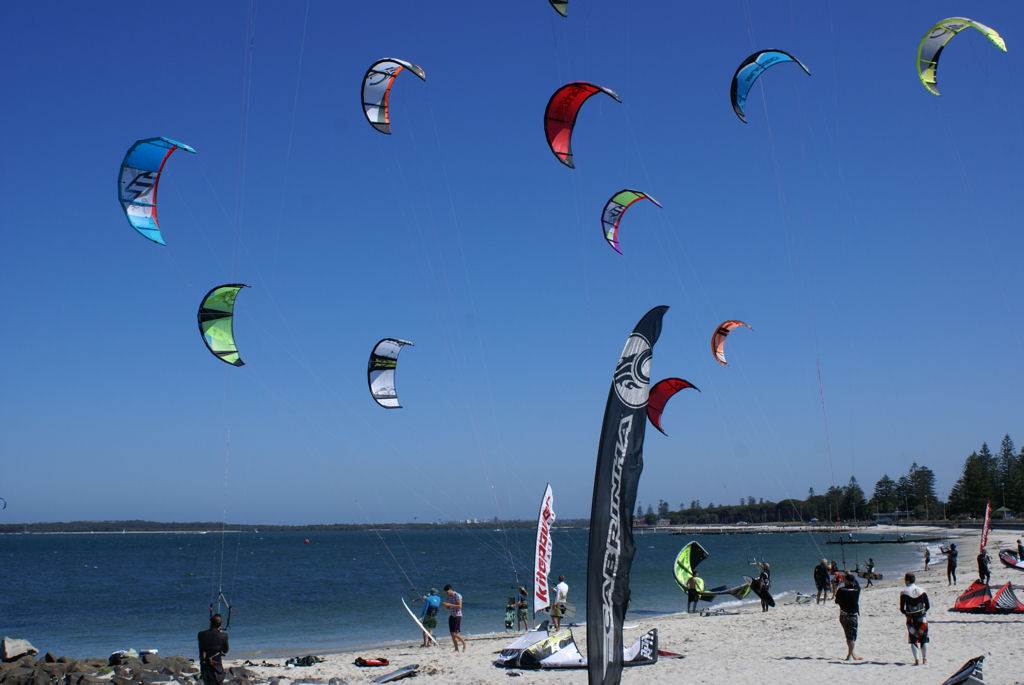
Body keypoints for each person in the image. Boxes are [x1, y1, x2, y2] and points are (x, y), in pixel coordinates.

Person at [899, 572, 930, 666]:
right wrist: (922, 612)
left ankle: (916, 660)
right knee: (923, 639)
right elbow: (928, 606)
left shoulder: (903, 592)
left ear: (907, 580)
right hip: (922, 618)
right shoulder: (922, 591)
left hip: (911, 619)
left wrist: (907, 614)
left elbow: (902, 609)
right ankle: (925, 659)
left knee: (913, 639)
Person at [834, 574, 862, 661]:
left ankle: (852, 654)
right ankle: (849, 656)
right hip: (852, 616)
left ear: (846, 581)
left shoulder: (841, 590)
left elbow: (836, 601)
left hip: (843, 615)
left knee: (849, 636)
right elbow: (857, 584)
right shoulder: (857, 589)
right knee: (851, 637)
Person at [197, 614, 229, 685]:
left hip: (205, 667)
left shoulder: (201, 634)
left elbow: (202, 648)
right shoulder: (224, 635)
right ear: (220, 624)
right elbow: (225, 650)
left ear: (210, 623)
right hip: (217, 667)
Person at [442, 584, 467, 652]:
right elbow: (448, 607)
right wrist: (446, 605)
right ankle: (456, 649)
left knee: (455, 633)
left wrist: (450, 605)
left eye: (447, 592)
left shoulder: (457, 595)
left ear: (451, 589)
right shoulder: (448, 597)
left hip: (457, 615)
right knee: (452, 633)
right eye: (446, 592)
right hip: (451, 615)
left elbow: (459, 606)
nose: (447, 593)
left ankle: (464, 643)